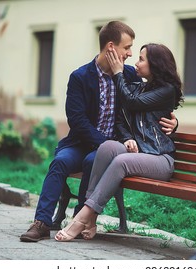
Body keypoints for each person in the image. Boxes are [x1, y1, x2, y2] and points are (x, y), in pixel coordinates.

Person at [20, 21, 178, 242]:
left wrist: (174, 122)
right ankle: (42, 223)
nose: (130, 54)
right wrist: (103, 141)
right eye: (127, 47)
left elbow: (152, 103)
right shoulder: (80, 77)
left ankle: (80, 218)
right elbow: (77, 120)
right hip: (82, 143)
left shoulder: (129, 76)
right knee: (60, 162)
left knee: (93, 160)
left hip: (113, 148)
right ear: (111, 47)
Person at [54, 42, 184, 242]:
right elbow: (121, 119)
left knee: (120, 162)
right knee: (107, 147)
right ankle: (91, 216)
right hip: (140, 154)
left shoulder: (167, 90)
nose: (136, 62)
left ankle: (81, 218)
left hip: (160, 158)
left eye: (141, 59)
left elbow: (132, 103)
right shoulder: (138, 87)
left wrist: (117, 73)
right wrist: (128, 138)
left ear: (155, 65)